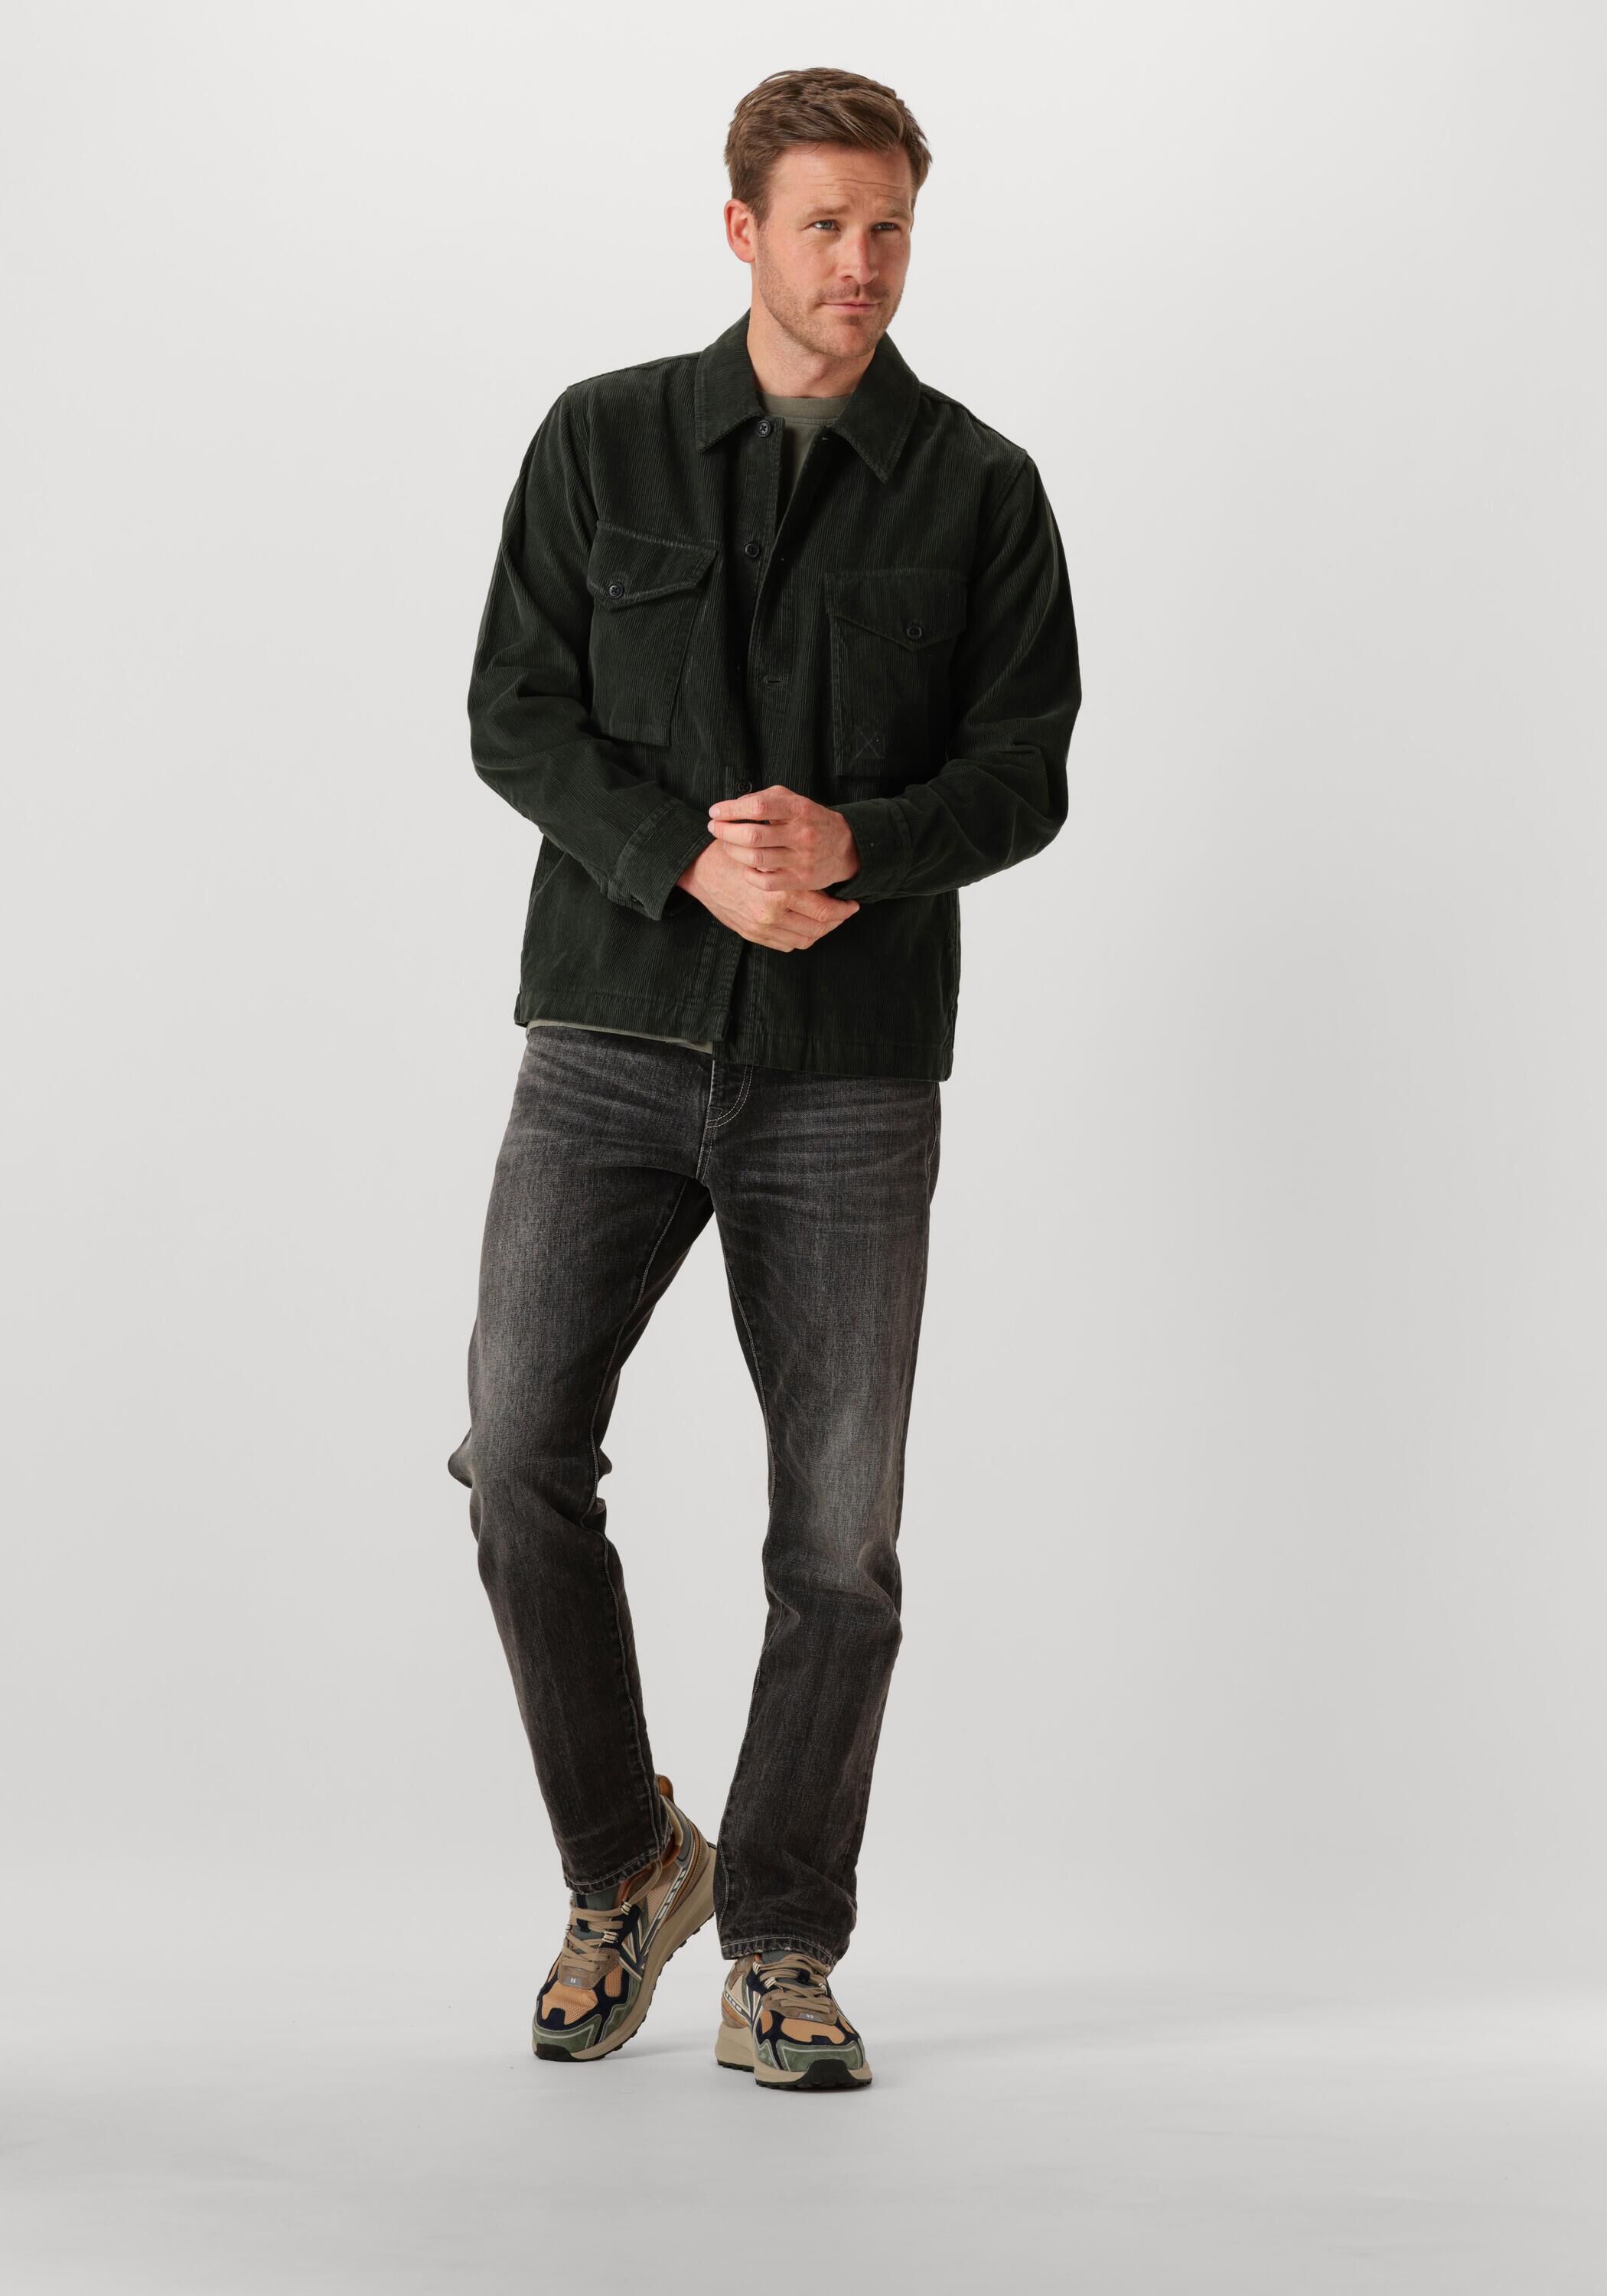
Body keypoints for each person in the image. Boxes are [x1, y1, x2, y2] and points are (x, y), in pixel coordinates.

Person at [447, 63, 1081, 2094]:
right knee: (515, 1458)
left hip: (850, 1073)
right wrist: (683, 861)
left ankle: (784, 1946)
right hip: (606, 1042)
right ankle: (629, 1867)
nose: (861, 264)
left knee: (836, 1542)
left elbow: (1026, 773)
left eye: (889, 227)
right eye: (824, 225)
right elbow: (515, 713)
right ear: (742, 230)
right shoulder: (603, 437)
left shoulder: (980, 489)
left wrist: (859, 847)